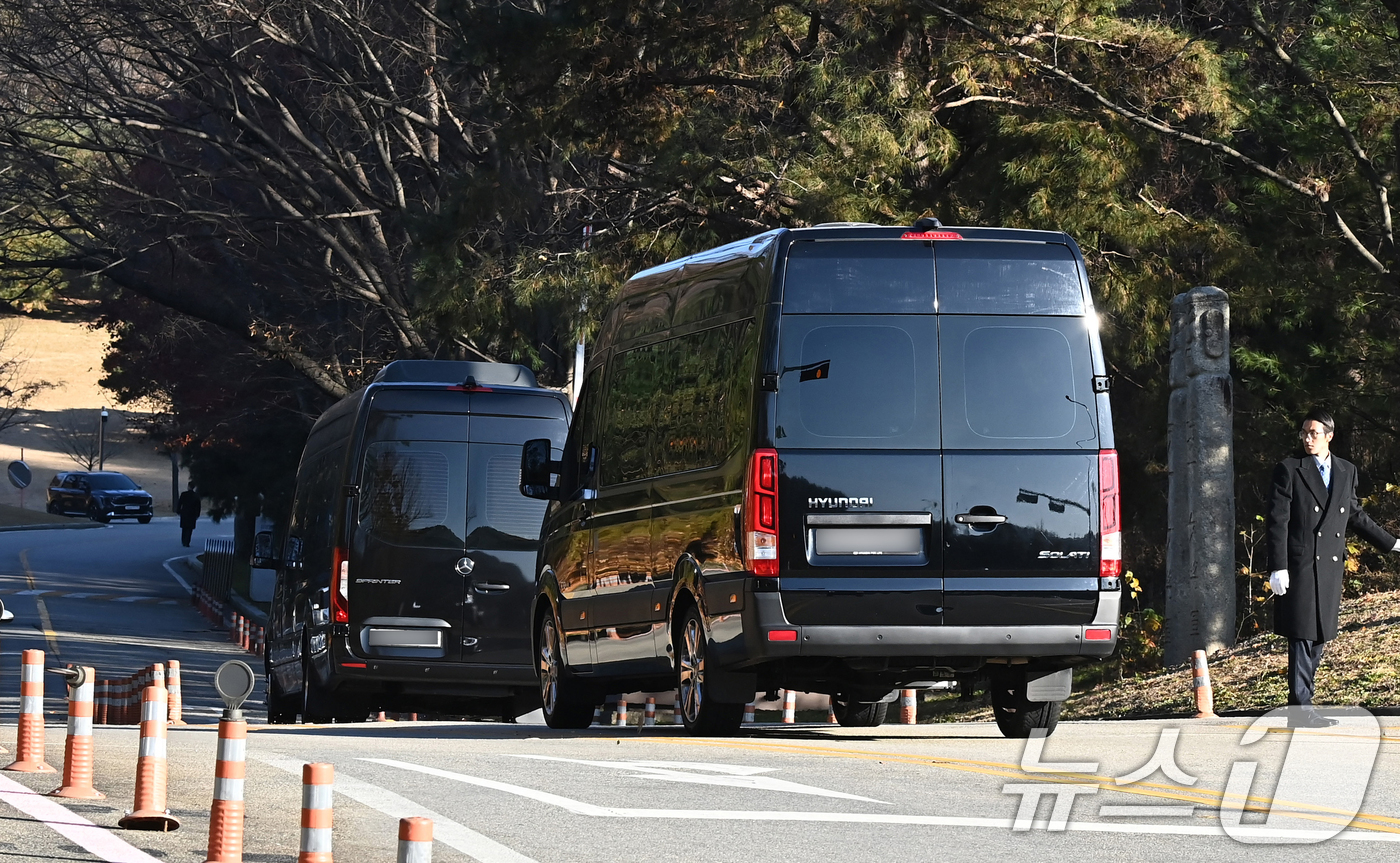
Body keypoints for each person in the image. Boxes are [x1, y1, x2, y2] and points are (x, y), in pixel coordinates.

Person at [1267, 409, 1400, 727]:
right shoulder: (1289, 469)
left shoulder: (1346, 470)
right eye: (1304, 433)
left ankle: (1302, 702)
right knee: (1300, 634)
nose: (1307, 438)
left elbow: (1355, 515)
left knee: (1320, 636)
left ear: (1330, 435)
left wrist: (1391, 542)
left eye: (1314, 433)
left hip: (1329, 565)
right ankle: (1301, 708)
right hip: (1298, 564)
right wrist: (1278, 566)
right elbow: (1278, 520)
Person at [177, 481, 202, 548]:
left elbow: (180, 503)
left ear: (188, 486)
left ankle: (183, 541)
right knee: (190, 529)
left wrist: (178, 511)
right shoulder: (196, 496)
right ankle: (187, 541)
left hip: (184, 512)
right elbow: (198, 506)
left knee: (184, 528)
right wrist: (197, 514)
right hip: (192, 514)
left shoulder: (184, 494)